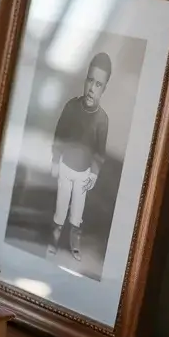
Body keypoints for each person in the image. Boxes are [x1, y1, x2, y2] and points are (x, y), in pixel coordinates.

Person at [47, 51, 111, 262]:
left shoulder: (102, 119)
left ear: (104, 89)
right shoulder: (71, 107)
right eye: (90, 81)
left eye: (98, 84)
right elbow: (59, 135)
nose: (92, 88)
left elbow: (99, 151)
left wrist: (94, 174)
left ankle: (74, 243)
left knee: (77, 212)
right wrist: (56, 160)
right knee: (60, 208)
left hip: (83, 174)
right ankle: (54, 239)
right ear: (85, 80)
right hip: (66, 168)